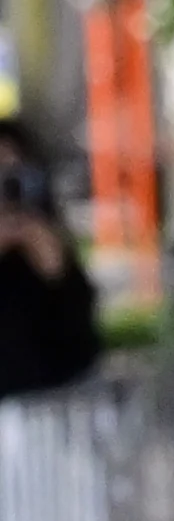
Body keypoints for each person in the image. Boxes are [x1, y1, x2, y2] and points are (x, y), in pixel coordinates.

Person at [0, 119, 100, 400]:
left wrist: (56, 272)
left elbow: (81, 346)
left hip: (48, 410)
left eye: (12, 177)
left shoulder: (45, 241)